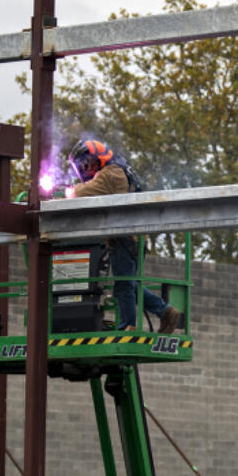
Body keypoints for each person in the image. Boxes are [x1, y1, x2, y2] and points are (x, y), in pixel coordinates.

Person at [67, 138, 182, 334]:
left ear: (97, 160)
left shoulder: (111, 174)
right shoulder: (120, 169)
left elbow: (79, 193)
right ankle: (163, 312)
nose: (87, 170)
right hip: (133, 236)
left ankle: (133, 324)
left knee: (124, 285)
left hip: (124, 238)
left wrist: (63, 191)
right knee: (127, 284)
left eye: (88, 165)